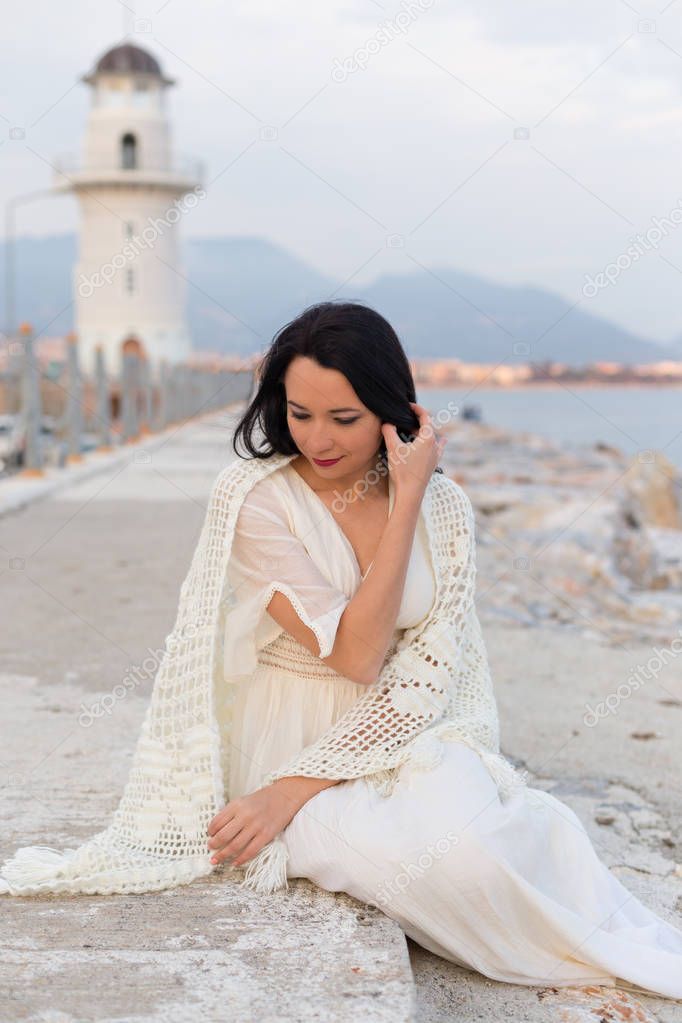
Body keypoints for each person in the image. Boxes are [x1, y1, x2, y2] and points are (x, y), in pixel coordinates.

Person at [205, 300, 682, 1001]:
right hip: (296, 741)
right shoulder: (256, 502)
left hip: (413, 725)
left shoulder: (444, 505)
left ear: (393, 411)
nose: (318, 439)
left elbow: (435, 669)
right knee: (452, 865)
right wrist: (285, 789)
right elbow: (358, 655)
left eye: (344, 418)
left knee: (507, 844)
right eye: (299, 412)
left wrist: (412, 495)